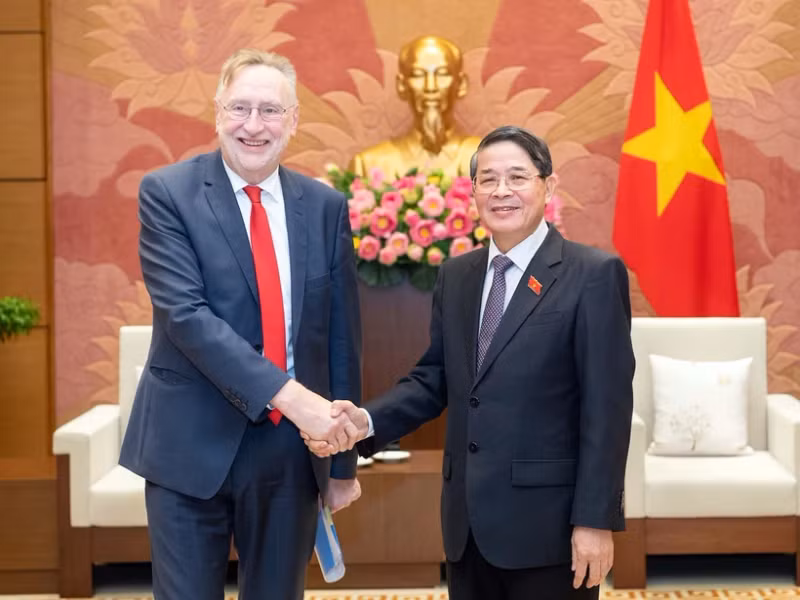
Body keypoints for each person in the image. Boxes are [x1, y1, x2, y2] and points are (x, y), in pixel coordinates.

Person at [309, 126, 635, 599]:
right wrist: (364, 421)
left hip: (551, 531)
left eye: (517, 177)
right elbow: (434, 379)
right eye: (488, 179)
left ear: (549, 186)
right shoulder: (458, 275)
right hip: (467, 528)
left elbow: (607, 412)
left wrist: (595, 521)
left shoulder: (593, 275)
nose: (502, 191)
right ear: (474, 192)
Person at [119, 48, 362, 600]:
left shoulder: (325, 207)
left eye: (271, 111)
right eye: (240, 108)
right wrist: (296, 399)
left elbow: (341, 337)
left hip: (290, 453)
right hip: (188, 442)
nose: (254, 126)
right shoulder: (168, 194)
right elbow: (186, 317)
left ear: (294, 120)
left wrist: (342, 462)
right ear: (217, 113)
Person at [350, 36, 481, 178]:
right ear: (402, 85)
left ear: (461, 84)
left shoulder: (493, 160)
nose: (430, 87)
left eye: (442, 74)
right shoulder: (369, 165)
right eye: (418, 75)